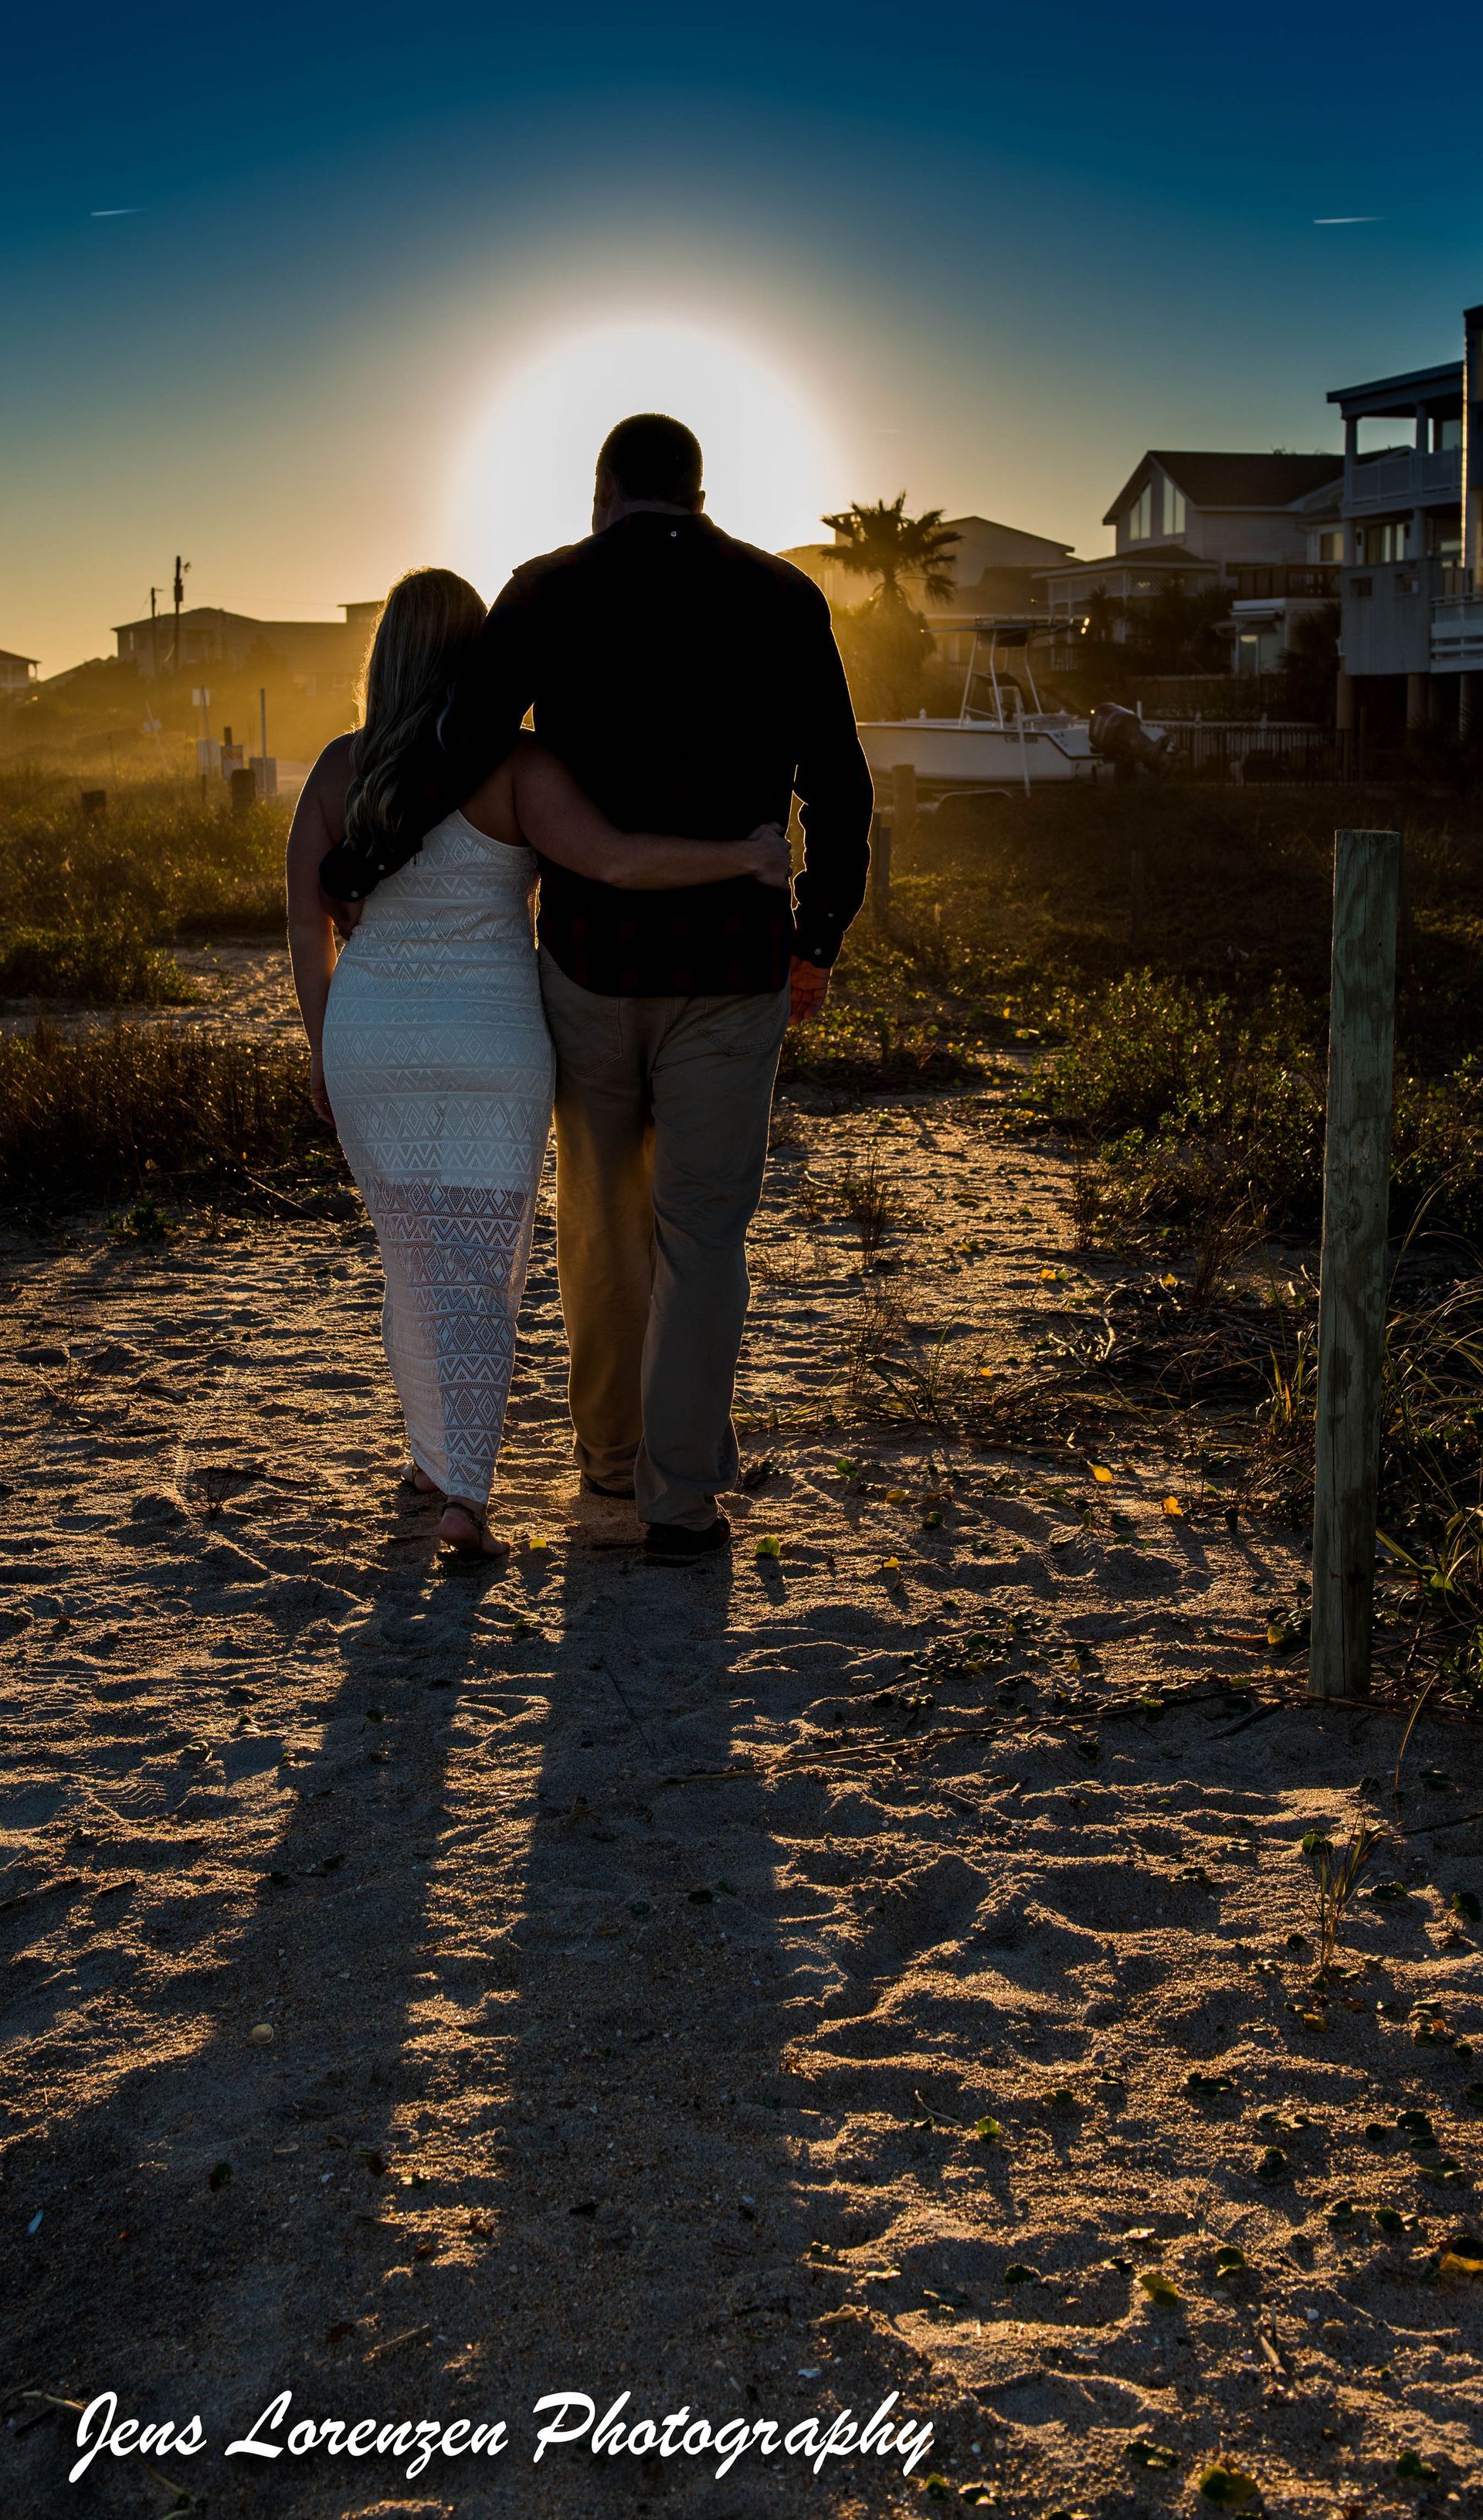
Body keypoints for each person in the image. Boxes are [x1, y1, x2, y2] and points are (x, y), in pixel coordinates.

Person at [321, 414, 874, 1564]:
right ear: (698, 489)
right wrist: (815, 932)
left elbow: (461, 741)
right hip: (730, 968)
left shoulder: (546, 590)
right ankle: (677, 1499)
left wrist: (360, 863)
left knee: (603, 1219)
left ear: (603, 491)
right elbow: (841, 788)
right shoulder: (783, 597)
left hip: (590, 967)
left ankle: (610, 1460)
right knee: (705, 1231)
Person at [287, 566, 792, 1554]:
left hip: (371, 1035)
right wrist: (744, 857)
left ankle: (434, 1459)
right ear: (476, 658)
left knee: (413, 1258)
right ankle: (464, 1501)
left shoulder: (337, 770)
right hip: (491, 1039)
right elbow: (616, 860)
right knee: (481, 1268)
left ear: (383, 656)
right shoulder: (515, 766)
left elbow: (310, 920)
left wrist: (321, 1040)